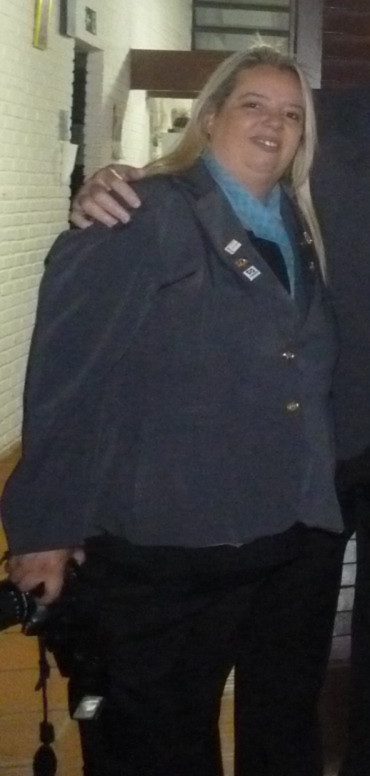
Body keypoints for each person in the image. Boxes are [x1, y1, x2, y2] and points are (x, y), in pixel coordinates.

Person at [70, 0, 370, 776]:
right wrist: (123, 180)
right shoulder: (313, 122)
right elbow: (222, 185)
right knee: (286, 644)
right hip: (314, 435)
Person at [2, 46, 341, 776]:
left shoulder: (299, 227)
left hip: (273, 537)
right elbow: (66, 379)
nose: (273, 124)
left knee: (264, 733)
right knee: (154, 745)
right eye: (254, 105)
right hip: (162, 546)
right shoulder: (141, 212)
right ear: (210, 116)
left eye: (291, 115)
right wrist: (44, 530)